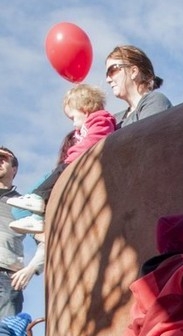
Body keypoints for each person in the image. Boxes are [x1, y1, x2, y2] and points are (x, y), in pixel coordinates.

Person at [9, 84, 116, 235]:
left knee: (58, 174)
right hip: (82, 162)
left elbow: (94, 140)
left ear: (85, 111)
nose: (73, 123)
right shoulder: (85, 127)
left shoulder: (101, 120)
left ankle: (37, 196)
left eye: (73, 117)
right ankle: (37, 217)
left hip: (84, 163)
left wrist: (72, 156)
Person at [0, 146, 44, 336]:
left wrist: (31, 268)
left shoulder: (23, 203)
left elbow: (45, 239)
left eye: (4, 158)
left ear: (14, 168)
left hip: (7, 277)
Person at [105, 45, 172, 128]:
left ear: (133, 72)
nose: (108, 80)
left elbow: (147, 139)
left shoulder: (155, 101)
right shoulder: (115, 119)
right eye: (107, 74)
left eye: (112, 70)